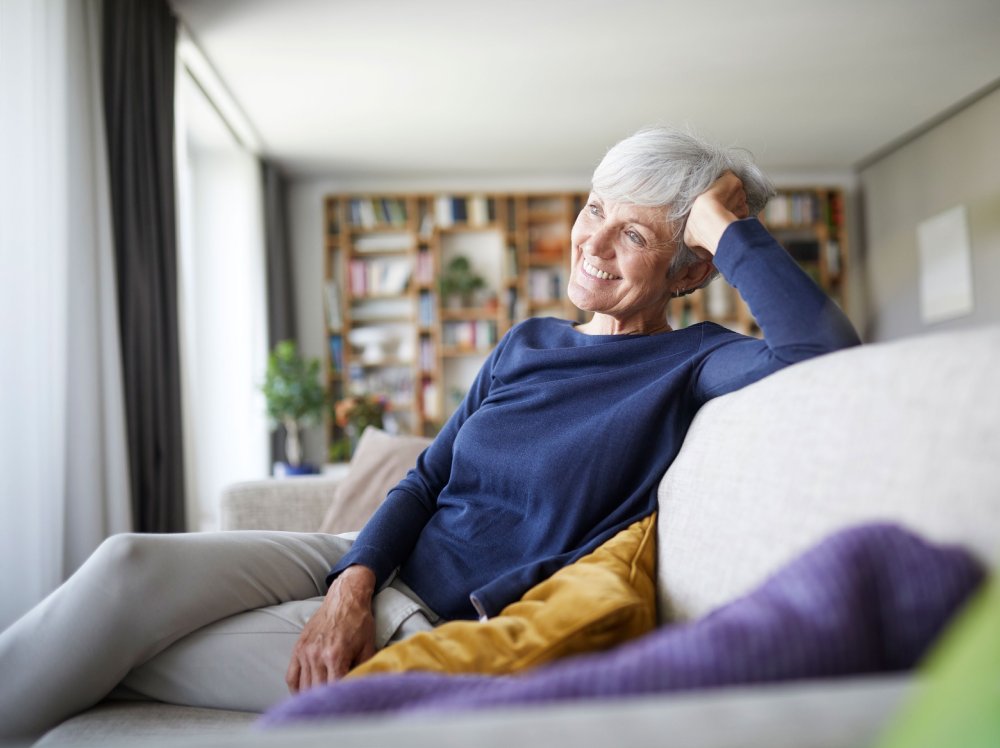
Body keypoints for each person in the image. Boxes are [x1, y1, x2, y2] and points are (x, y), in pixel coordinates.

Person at [0, 126, 860, 739]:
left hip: (429, 616)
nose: (592, 242)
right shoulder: (526, 342)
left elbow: (820, 350)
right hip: (359, 558)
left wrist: (726, 222)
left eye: (634, 233)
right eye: (593, 209)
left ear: (690, 267)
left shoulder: (696, 364)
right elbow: (421, 481)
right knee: (125, 565)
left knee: (122, 647)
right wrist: (347, 584)